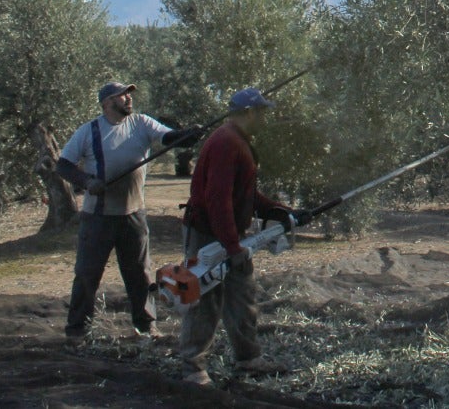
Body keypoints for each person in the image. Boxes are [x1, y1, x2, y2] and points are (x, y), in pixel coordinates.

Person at [176, 87, 307, 386]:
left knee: (242, 294)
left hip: (229, 233)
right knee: (205, 296)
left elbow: (243, 193)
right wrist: (232, 245)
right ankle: (193, 367)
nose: (264, 117)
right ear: (248, 112)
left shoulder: (237, 141)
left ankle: (248, 359)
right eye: (261, 111)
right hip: (208, 234)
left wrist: (278, 210)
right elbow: (217, 198)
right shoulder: (226, 143)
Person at [56, 81, 202, 343]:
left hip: (133, 214)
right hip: (97, 217)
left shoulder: (142, 123)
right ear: (107, 103)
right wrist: (88, 182)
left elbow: (167, 137)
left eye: (128, 94)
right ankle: (77, 330)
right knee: (87, 275)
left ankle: (146, 326)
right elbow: (64, 166)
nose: (128, 99)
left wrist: (187, 135)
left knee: (140, 274)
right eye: (121, 95)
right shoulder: (88, 132)